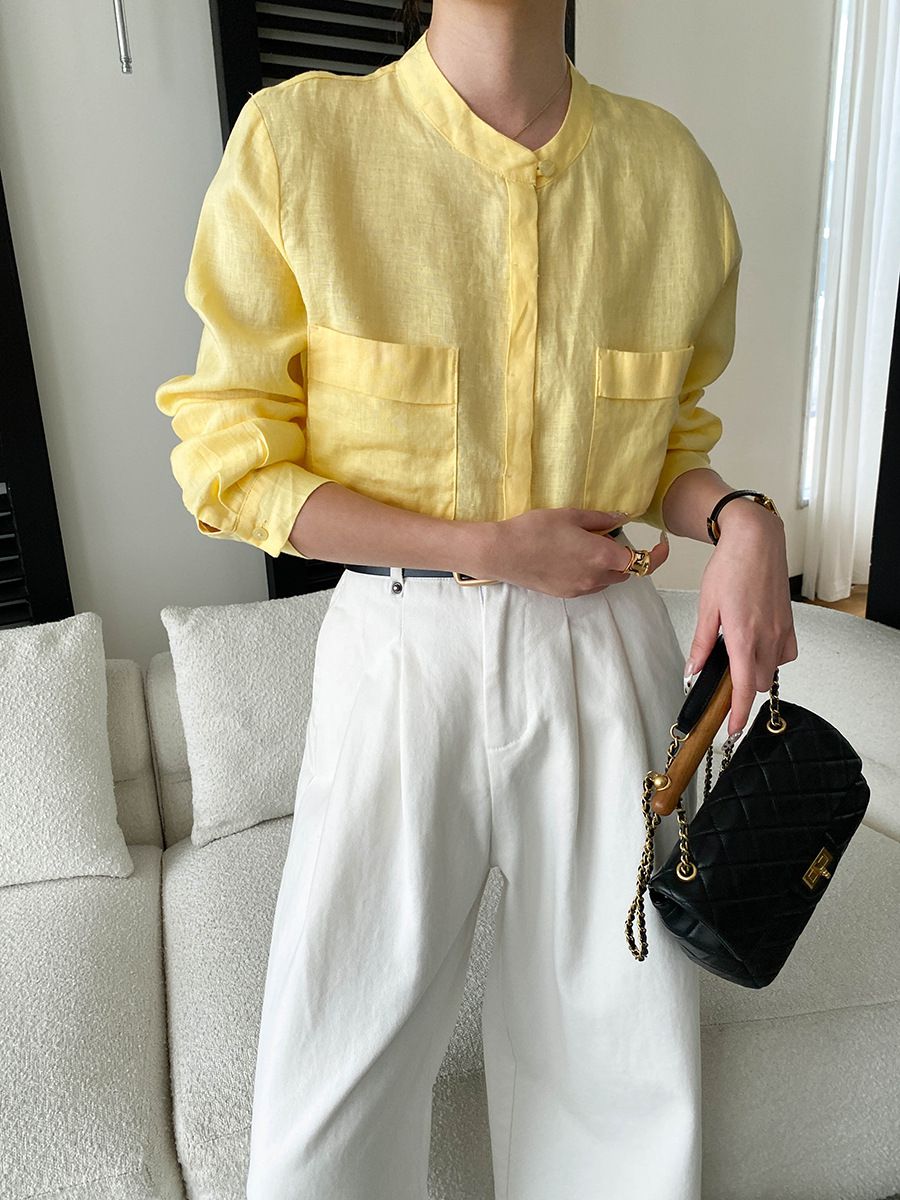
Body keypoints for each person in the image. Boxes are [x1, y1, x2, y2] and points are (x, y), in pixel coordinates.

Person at [155, 1, 797, 1196]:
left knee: (620, 1060)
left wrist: (742, 518)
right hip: (400, 654)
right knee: (331, 1071)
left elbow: (669, 452)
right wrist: (484, 547)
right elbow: (232, 463)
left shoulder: (667, 175)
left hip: (605, 654)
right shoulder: (301, 144)